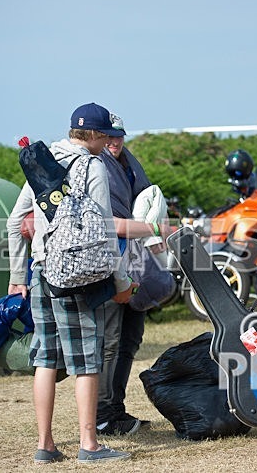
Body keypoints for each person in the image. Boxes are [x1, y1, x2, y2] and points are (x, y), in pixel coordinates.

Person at [7, 102, 136, 464]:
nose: (108, 142)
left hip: (41, 271)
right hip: (76, 276)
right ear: (94, 135)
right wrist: (121, 281)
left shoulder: (44, 160)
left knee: (46, 359)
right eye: (105, 135)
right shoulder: (93, 166)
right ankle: (89, 445)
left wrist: (17, 277)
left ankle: (45, 445)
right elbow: (104, 230)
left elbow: (15, 221)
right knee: (86, 361)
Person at [96, 116, 173, 436]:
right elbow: (108, 223)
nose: (115, 141)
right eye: (109, 136)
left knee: (129, 338)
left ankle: (116, 409)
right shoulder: (93, 167)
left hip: (135, 260)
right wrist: (153, 228)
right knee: (109, 342)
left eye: (119, 136)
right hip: (107, 262)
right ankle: (102, 414)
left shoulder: (129, 163)